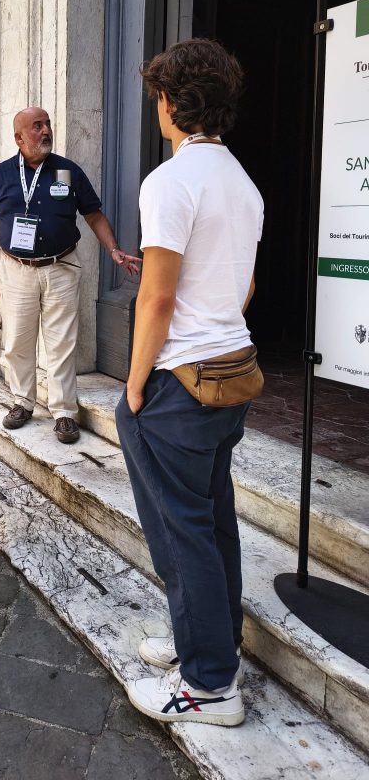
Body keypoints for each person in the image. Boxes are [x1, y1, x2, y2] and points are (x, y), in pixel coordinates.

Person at [115, 39, 264, 727]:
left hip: (179, 383)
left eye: (158, 98)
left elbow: (156, 297)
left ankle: (209, 687)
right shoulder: (242, 182)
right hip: (231, 370)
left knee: (183, 533)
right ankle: (208, 646)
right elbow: (245, 284)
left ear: (175, 101)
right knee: (210, 523)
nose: (156, 110)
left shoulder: (170, 181)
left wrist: (136, 385)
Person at [0, 108, 140, 443]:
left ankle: (64, 411)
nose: (46, 130)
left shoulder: (67, 171)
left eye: (48, 124)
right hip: (16, 270)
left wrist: (112, 248)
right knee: (17, 341)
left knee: (62, 343)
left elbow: (93, 214)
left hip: (62, 266)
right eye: (37, 126)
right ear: (19, 138)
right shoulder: (1, 176)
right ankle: (23, 402)